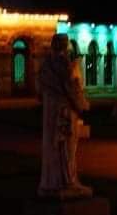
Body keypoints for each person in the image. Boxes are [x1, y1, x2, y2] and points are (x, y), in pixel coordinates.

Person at [38, 34, 92, 198]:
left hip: (50, 112)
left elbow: (39, 90)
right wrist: (82, 104)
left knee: (52, 146)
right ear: (64, 45)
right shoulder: (64, 64)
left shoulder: (45, 65)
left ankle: (50, 182)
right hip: (64, 112)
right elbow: (72, 87)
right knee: (66, 147)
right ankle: (68, 181)